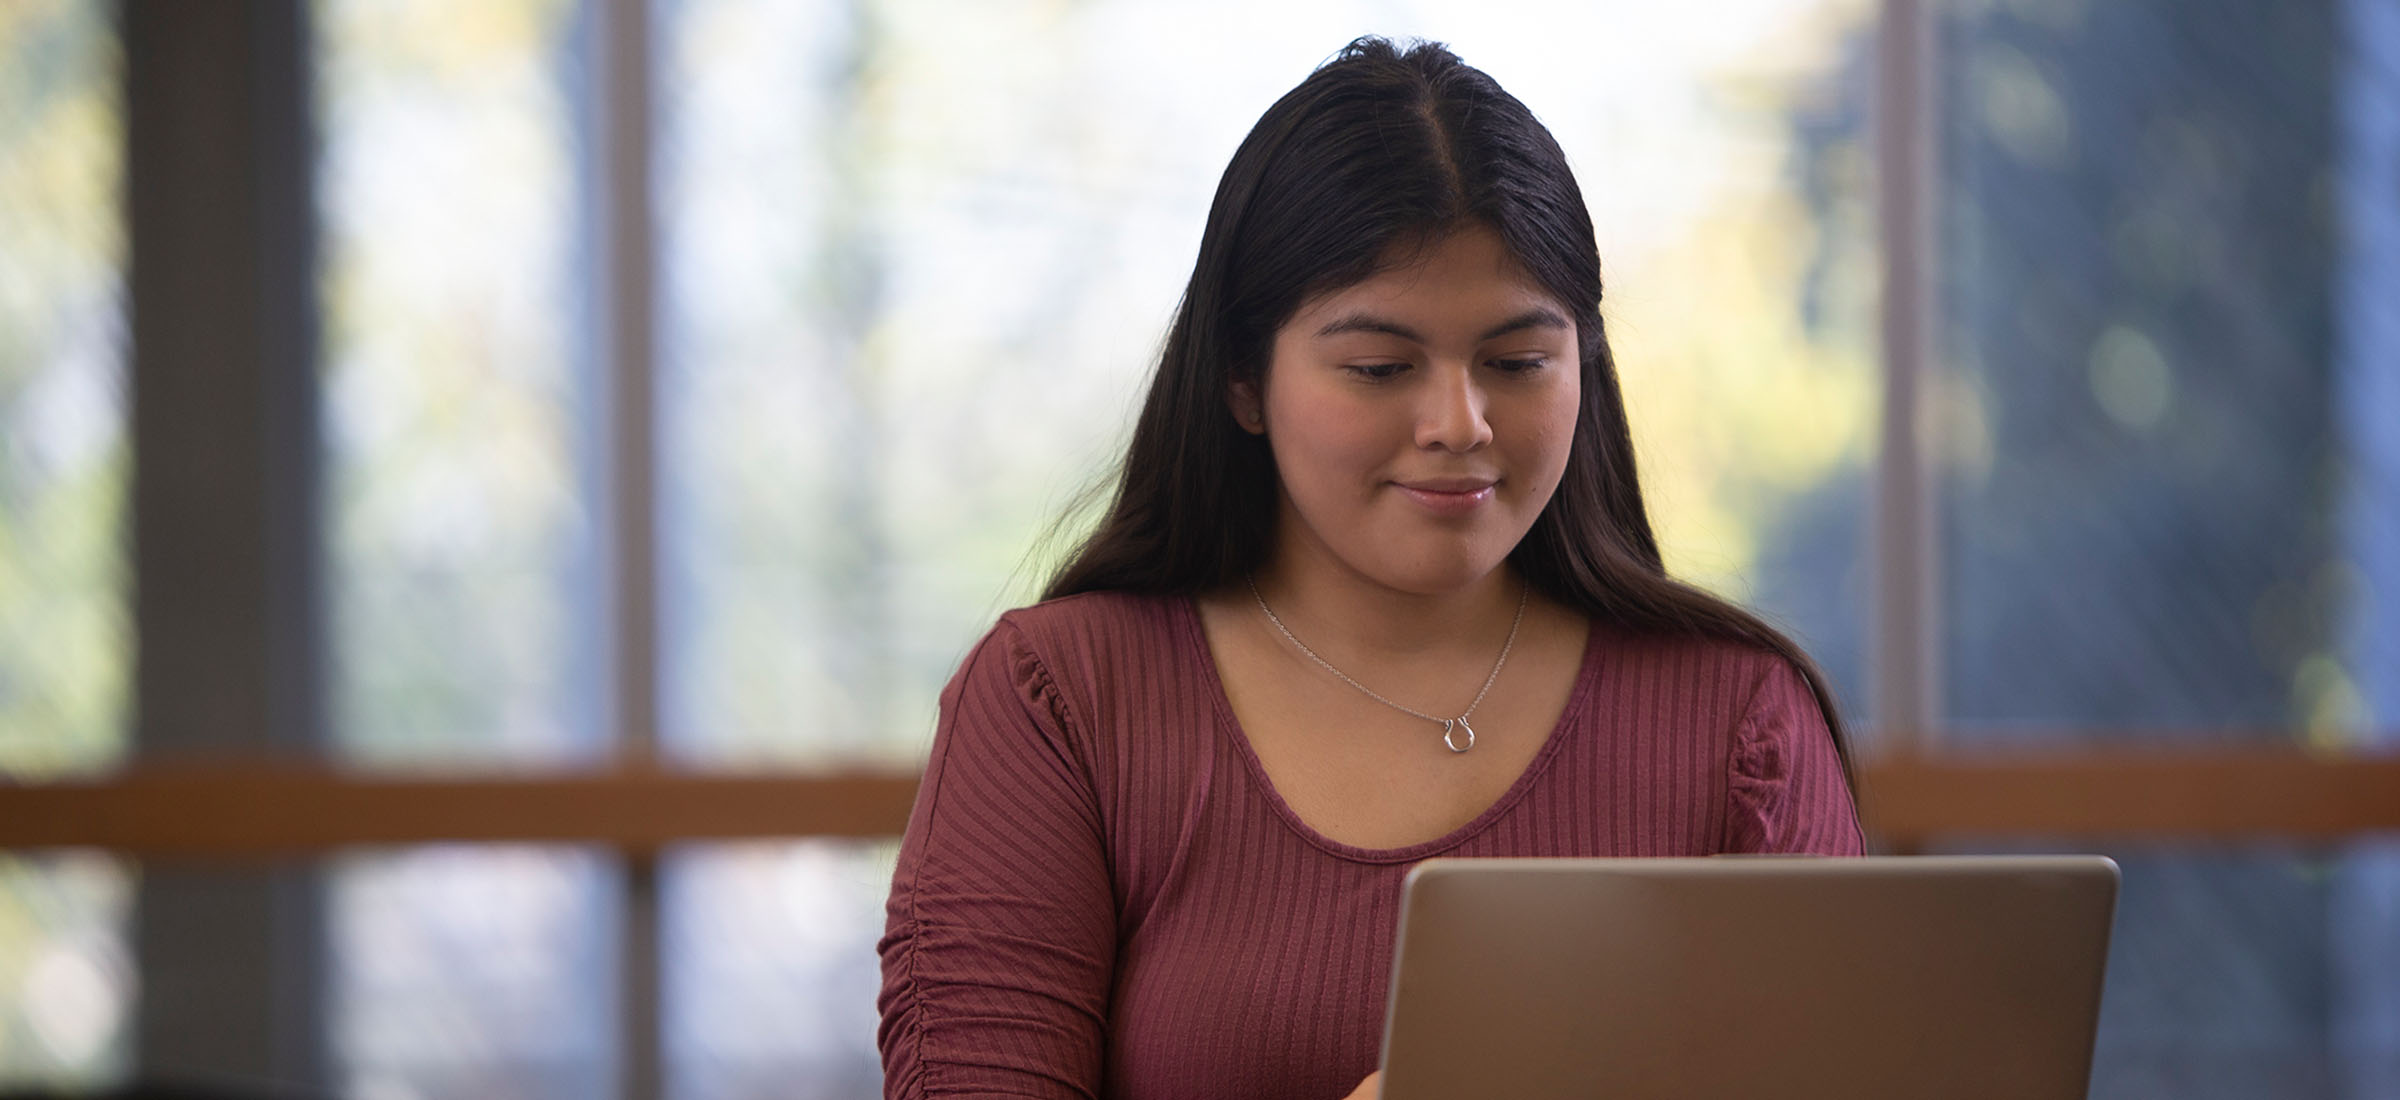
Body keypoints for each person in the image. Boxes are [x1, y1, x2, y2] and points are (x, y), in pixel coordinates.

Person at [876, 36, 1863, 1100]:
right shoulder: (1060, 703)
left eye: (1519, 361)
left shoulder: (1739, 724)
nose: (1460, 422)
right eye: (1380, 367)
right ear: (1244, 382)